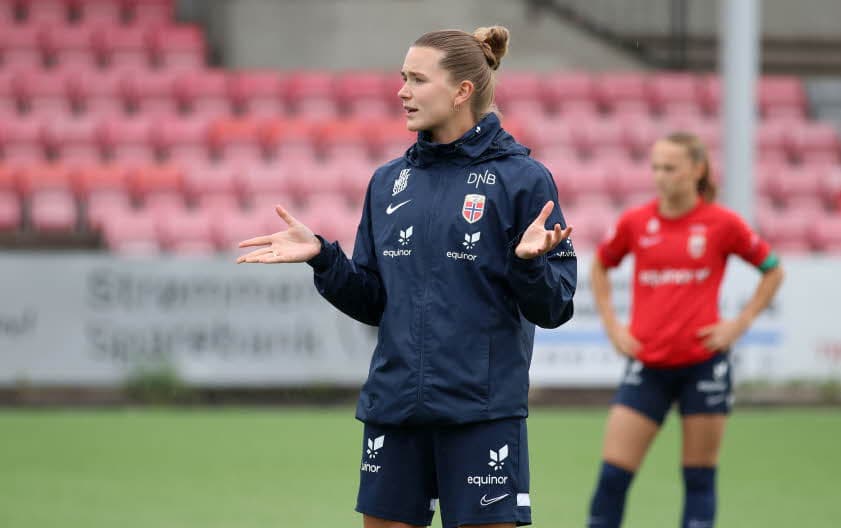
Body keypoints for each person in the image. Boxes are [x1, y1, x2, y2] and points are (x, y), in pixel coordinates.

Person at [237, 26, 577, 528]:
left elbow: (554, 308)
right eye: (402, 78)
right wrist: (323, 259)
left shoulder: (523, 179)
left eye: (418, 79)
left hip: (480, 412)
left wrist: (529, 265)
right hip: (394, 407)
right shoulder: (388, 181)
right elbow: (374, 301)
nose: (402, 91)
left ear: (462, 91)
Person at [585, 132, 785, 528]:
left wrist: (739, 324)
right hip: (648, 365)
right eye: (656, 167)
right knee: (612, 478)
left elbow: (773, 269)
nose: (661, 176)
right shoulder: (636, 222)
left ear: (697, 170)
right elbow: (600, 266)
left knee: (698, 479)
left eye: (670, 168)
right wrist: (612, 325)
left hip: (704, 366)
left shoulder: (722, 223)